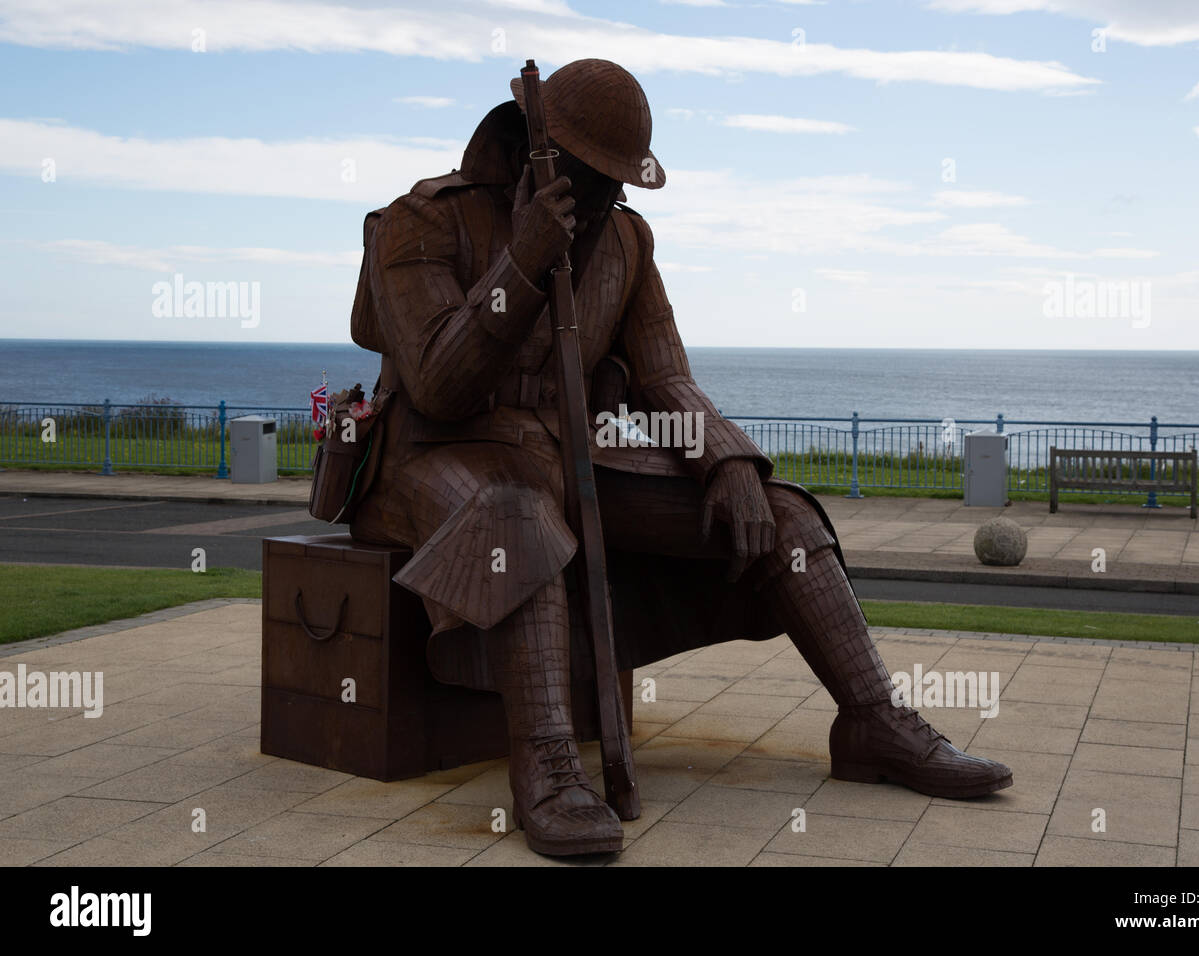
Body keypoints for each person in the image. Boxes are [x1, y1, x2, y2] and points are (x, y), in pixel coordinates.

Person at [346, 58, 1012, 856]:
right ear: (534, 147)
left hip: (562, 457)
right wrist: (522, 261)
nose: (601, 201)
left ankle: (874, 722)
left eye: (614, 184)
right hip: (432, 459)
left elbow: (663, 375)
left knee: (785, 514)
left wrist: (727, 462)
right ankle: (551, 766)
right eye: (587, 178)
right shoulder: (421, 221)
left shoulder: (624, 239)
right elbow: (440, 383)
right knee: (516, 516)